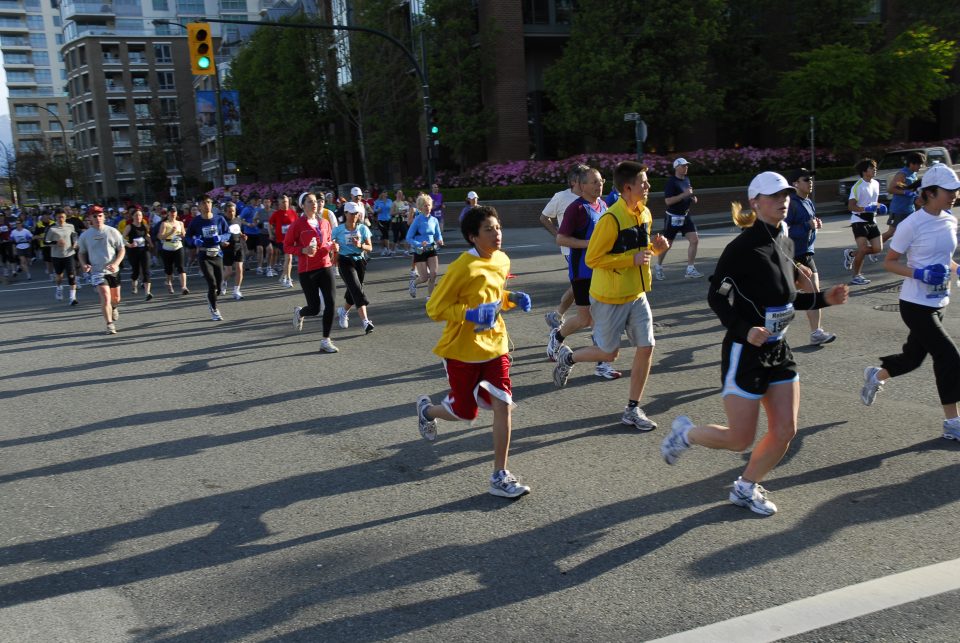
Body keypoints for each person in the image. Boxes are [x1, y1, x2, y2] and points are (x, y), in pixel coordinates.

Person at [660, 171, 849, 516]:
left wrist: (824, 299)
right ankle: (686, 434)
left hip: (778, 350)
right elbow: (717, 298)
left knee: (785, 430)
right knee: (740, 439)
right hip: (744, 352)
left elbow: (787, 302)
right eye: (775, 196)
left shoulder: (787, 243)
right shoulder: (742, 248)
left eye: (786, 195)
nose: (783, 200)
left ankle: (745, 487)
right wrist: (745, 329)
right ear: (755, 202)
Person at [416, 205, 533, 498]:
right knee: (464, 413)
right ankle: (427, 411)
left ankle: (500, 474)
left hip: (496, 345)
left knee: (503, 404)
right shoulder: (461, 268)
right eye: (488, 230)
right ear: (472, 237)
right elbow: (435, 308)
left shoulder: (502, 260)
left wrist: (511, 298)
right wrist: (470, 315)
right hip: (463, 350)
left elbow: (493, 297)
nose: (497, 234)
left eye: (498, 227)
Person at [552, 161, 670, 430]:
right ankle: (568, 357)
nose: (648, 187)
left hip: (637, 294)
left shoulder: (645, 214)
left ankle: (632, 408)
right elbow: (593, 258)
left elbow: (640, 252)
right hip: (609, 297)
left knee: (647, 346)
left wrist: (656, 248)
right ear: (628, 187)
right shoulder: (611, 218)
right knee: (608, 354)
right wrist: (632, 259)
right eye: (643, 183)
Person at [860, 164, 960, 441]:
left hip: (939, 301)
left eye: (955, 190)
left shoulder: (950, 220)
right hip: (915, 304)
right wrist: (920, 273)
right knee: (949, 357)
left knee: (913, 359)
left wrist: (956, 268)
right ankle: (952, 422)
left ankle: (876, 375)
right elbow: (890, 262)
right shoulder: (911, 225)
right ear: (929, 192)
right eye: (948, 191)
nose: (954, 195)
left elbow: (944, 257)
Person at [547, 166, 622, 379]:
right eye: (594, 182)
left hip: (601, 271)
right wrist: (591, 244)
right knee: (585, 320)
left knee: (601, 317)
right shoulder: (576, 209)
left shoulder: (603, 205)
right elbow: (561, 239)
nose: (599, 186)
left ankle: (602, 364)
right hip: (582, 272)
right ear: (582, 185)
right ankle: (558, 335)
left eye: (601, 181)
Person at [784, 168, 835, 345]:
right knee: (779, 296)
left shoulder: (808, 202)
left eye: (811, 179)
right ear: (795, 184)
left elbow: (808, 225)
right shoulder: (790, 203)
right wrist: (807, 226)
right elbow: (783, 231)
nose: (810, 182)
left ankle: (816, 333)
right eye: (806, 179)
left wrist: (815, 225)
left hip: (807, 254)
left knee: (814, 295)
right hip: (790, 256)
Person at [285, 192, 339, 353]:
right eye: (309, 202)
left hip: (325, 266)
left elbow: (329, 241)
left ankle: (325, 340)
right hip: (307, 271)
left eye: (315, 201)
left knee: (331, 304)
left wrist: (334, 247)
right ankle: (300, 312)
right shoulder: (297, 225)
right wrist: (303, 249)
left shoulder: (324, 223)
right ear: (302, 205)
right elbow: (287, 246)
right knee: (314, 309)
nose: (314, 204)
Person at [540, 165, 588, 330]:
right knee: (585, 282)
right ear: (574, 181)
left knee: (580, 284)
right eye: (585, 179)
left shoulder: (592, 196)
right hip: (571, 250)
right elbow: (544, 217)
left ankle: (557, 315)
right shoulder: (561, 197)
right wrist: (558, 235)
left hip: (590, 248)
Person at [77, 206, 127, 334]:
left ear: (104, 217)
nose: (98, 218)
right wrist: (84, 264)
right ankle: (109, 324)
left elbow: (121, 249)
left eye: (100, 216)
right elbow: (81, 253)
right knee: (105, 297)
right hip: (97, 271)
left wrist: (116, 263)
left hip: (113, 270)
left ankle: (114, 307)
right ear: (89, 218)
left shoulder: (112, 231)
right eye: (94, 216)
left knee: (116, 299)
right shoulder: (85, 235)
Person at [184, 195, 231, 321]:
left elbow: (227, 233)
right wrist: (195, 242)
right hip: (204, 255)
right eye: (204, 203)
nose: (207, 205)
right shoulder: (196, 221)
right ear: (199, 206)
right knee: (212, 283)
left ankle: (212, 297)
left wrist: (221, 238)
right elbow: (188, 237)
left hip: (217, 254)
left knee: (219, 287)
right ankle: (214, 310)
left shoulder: (219, 219)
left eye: (209, 202)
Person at [655, 157, 702, 280]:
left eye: (686, 166)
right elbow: (668, 201)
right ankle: (658, 267)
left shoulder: (687, 179)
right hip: (673, 217)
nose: (686, 168)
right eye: (683, 166)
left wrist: (692, 197)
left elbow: (689, 193)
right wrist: (684, 195)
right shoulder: (671, 182)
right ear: (676, 167)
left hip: (685, 216)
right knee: (667, 244)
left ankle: (690, 269)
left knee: (695, 240)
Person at [842, 158, 886, 286]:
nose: (875, 170)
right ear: (864, 171)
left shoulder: (876, 184)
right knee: (863, 249)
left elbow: (873, 201)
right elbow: (851, 206)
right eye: (872, 168)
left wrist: (879, 206)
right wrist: (865, 209)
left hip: (871, 219)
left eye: (875, 167)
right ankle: (856, 276)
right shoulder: (857, 186)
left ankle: (851, 254)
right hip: (859, 220)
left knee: (878, 248)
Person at [332, 201, 375, 334]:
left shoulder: (362, 228)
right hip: (345, 261)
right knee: (356, 288)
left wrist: (360, 246)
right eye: (351, 213)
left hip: (360, 260)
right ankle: (366, 322)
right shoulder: (338, 230)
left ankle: (343, 311)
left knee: (353, 289)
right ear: (345, 213)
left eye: (356, 213)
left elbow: (370, 247)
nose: (354, 216)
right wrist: (334, 248)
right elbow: (330, 245)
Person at [406, 193, 444, 299]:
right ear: (420, 207)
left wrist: (440, 240)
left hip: (431, 249)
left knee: (434, 274)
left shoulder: (434, 220)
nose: (427, 207)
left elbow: (437, 234)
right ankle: (413, 283)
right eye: (425, 205)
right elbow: (408, 237)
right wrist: (419, 244)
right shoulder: (417, 220)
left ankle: (430, 297)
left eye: (429, 205)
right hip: (420, 251)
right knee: (424, 278)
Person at [882, 151, 925, 244]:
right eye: (919, 164)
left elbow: (910, 188)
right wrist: (905, 192)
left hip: (910, 209)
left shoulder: (913, 173)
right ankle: (872, 248)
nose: (921, 167)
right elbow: (890, 189)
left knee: (914, 230)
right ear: (912, 163)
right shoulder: (902, 174)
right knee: (891, 232)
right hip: (899, 209)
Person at [44, 210, 79, 305]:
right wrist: (56, 243)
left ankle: (73, 298)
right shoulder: (52, 229)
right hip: (57, 256)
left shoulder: (70, 226)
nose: (61, 219)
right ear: (55, 217)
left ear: (65, 217)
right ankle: (59, 288)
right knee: (59, 276)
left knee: (71, 276)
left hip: (69, 254)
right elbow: (45, 242)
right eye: (59, 217)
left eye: (63, 217)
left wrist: (75, 242)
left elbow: (74, 235)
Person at [123, 208, 153, 301]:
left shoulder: (144, 225)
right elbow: (121, 238)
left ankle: (147, 293)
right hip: (133, 251)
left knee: (146, 270)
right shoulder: (129, 226)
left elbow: (147, 235)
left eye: (140, 215)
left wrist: (151, 243)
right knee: (135, 270)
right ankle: (134, 286)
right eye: (136, 215)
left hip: (144, 250)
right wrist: (129, 244)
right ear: (132, 217)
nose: (138, 217)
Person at [268, 195, 297, 286]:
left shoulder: (292, 212)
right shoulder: (276, 214)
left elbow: (297, 225)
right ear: (279, 204)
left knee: (288, 259)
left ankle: (283, 277)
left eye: (286, 202)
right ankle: (288, 279)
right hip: (281, 240)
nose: (285, 204)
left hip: (291, 239)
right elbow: (270, 224)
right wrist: (271, 234)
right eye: (283, 202)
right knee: (289, 258)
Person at [158, 207, 188, 295]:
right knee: (169, 270)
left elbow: (183, 234)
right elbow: (160, 237)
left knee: (181, 267)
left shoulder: (180, 223)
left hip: (178, 246)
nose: (173, 214)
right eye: (171, 212)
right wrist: (171, 232)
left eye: (174, 212)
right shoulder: (164, 224)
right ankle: (169, 283)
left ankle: (184, 287)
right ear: (168, 213)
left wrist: (183, 234)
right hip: (167, 248)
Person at [221, 201, 246, 300]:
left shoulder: (237, 219)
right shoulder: (222, 221)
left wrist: (242, 236)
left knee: (240, 269)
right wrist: (222, 242)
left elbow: (238, 230)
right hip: (227, 248)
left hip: (238, 246)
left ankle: (236, 291)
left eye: (233, 211)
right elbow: (218, 233)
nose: (232, 213)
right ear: (225, 211)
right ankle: (223, 282)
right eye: (229, 211)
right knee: (229, 271)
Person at [391, 190, 411, 256]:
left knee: (406, 236)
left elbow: (405, 212)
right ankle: (393, 251)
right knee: (395, 237)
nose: (400, 194)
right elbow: (391, 213)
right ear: (395, 195)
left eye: (401, 193)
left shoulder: (404, 203)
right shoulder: (394, 203)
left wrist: (405, 213)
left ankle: (406, 251)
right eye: (398, 193)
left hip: (402, 221)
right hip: (395, 222)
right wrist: (399, 212)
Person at [373, 191, 394, 256]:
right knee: (386, 234)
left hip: (388, 220)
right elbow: (374, 210)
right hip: (381, 220)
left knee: (384, 235)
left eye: (385, 192)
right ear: (381, 194)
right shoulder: (377, 201)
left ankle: (383, 249)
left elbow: (393, 208)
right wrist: (377, 210)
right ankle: (388, 250)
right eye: (383, 192)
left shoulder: (390, 201)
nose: (385, 193)